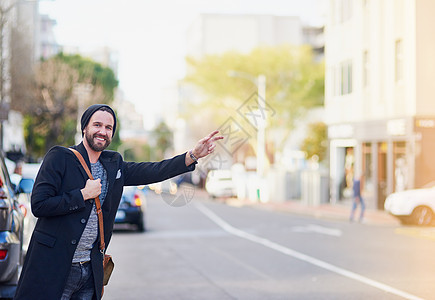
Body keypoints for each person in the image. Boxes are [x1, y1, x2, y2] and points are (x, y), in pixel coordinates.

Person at [14, 104, 223, 300]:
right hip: (55, 265)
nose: (102, 132)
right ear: (84, 127)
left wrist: (192, 155)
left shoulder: (113, 163)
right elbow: (39, 205)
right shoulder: (59, 157)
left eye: (108, 127)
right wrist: (83, 194)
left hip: (89, 270)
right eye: (97, 125)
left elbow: (152, 171)